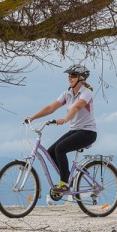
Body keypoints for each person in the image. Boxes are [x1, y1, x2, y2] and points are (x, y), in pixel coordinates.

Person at [24, 64, 98, 194]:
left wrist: (65, 119)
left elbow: (77, 107)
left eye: (73, 76)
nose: (70, 78)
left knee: (60, 148)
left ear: (81, 78)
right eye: (69, 75)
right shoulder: (67, 93)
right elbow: (51, 107)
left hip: (88, 132)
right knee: (51, 152)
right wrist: (33, 118)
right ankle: (69, 178)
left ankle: (64, 183)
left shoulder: (87, 93)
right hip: (74, 131)